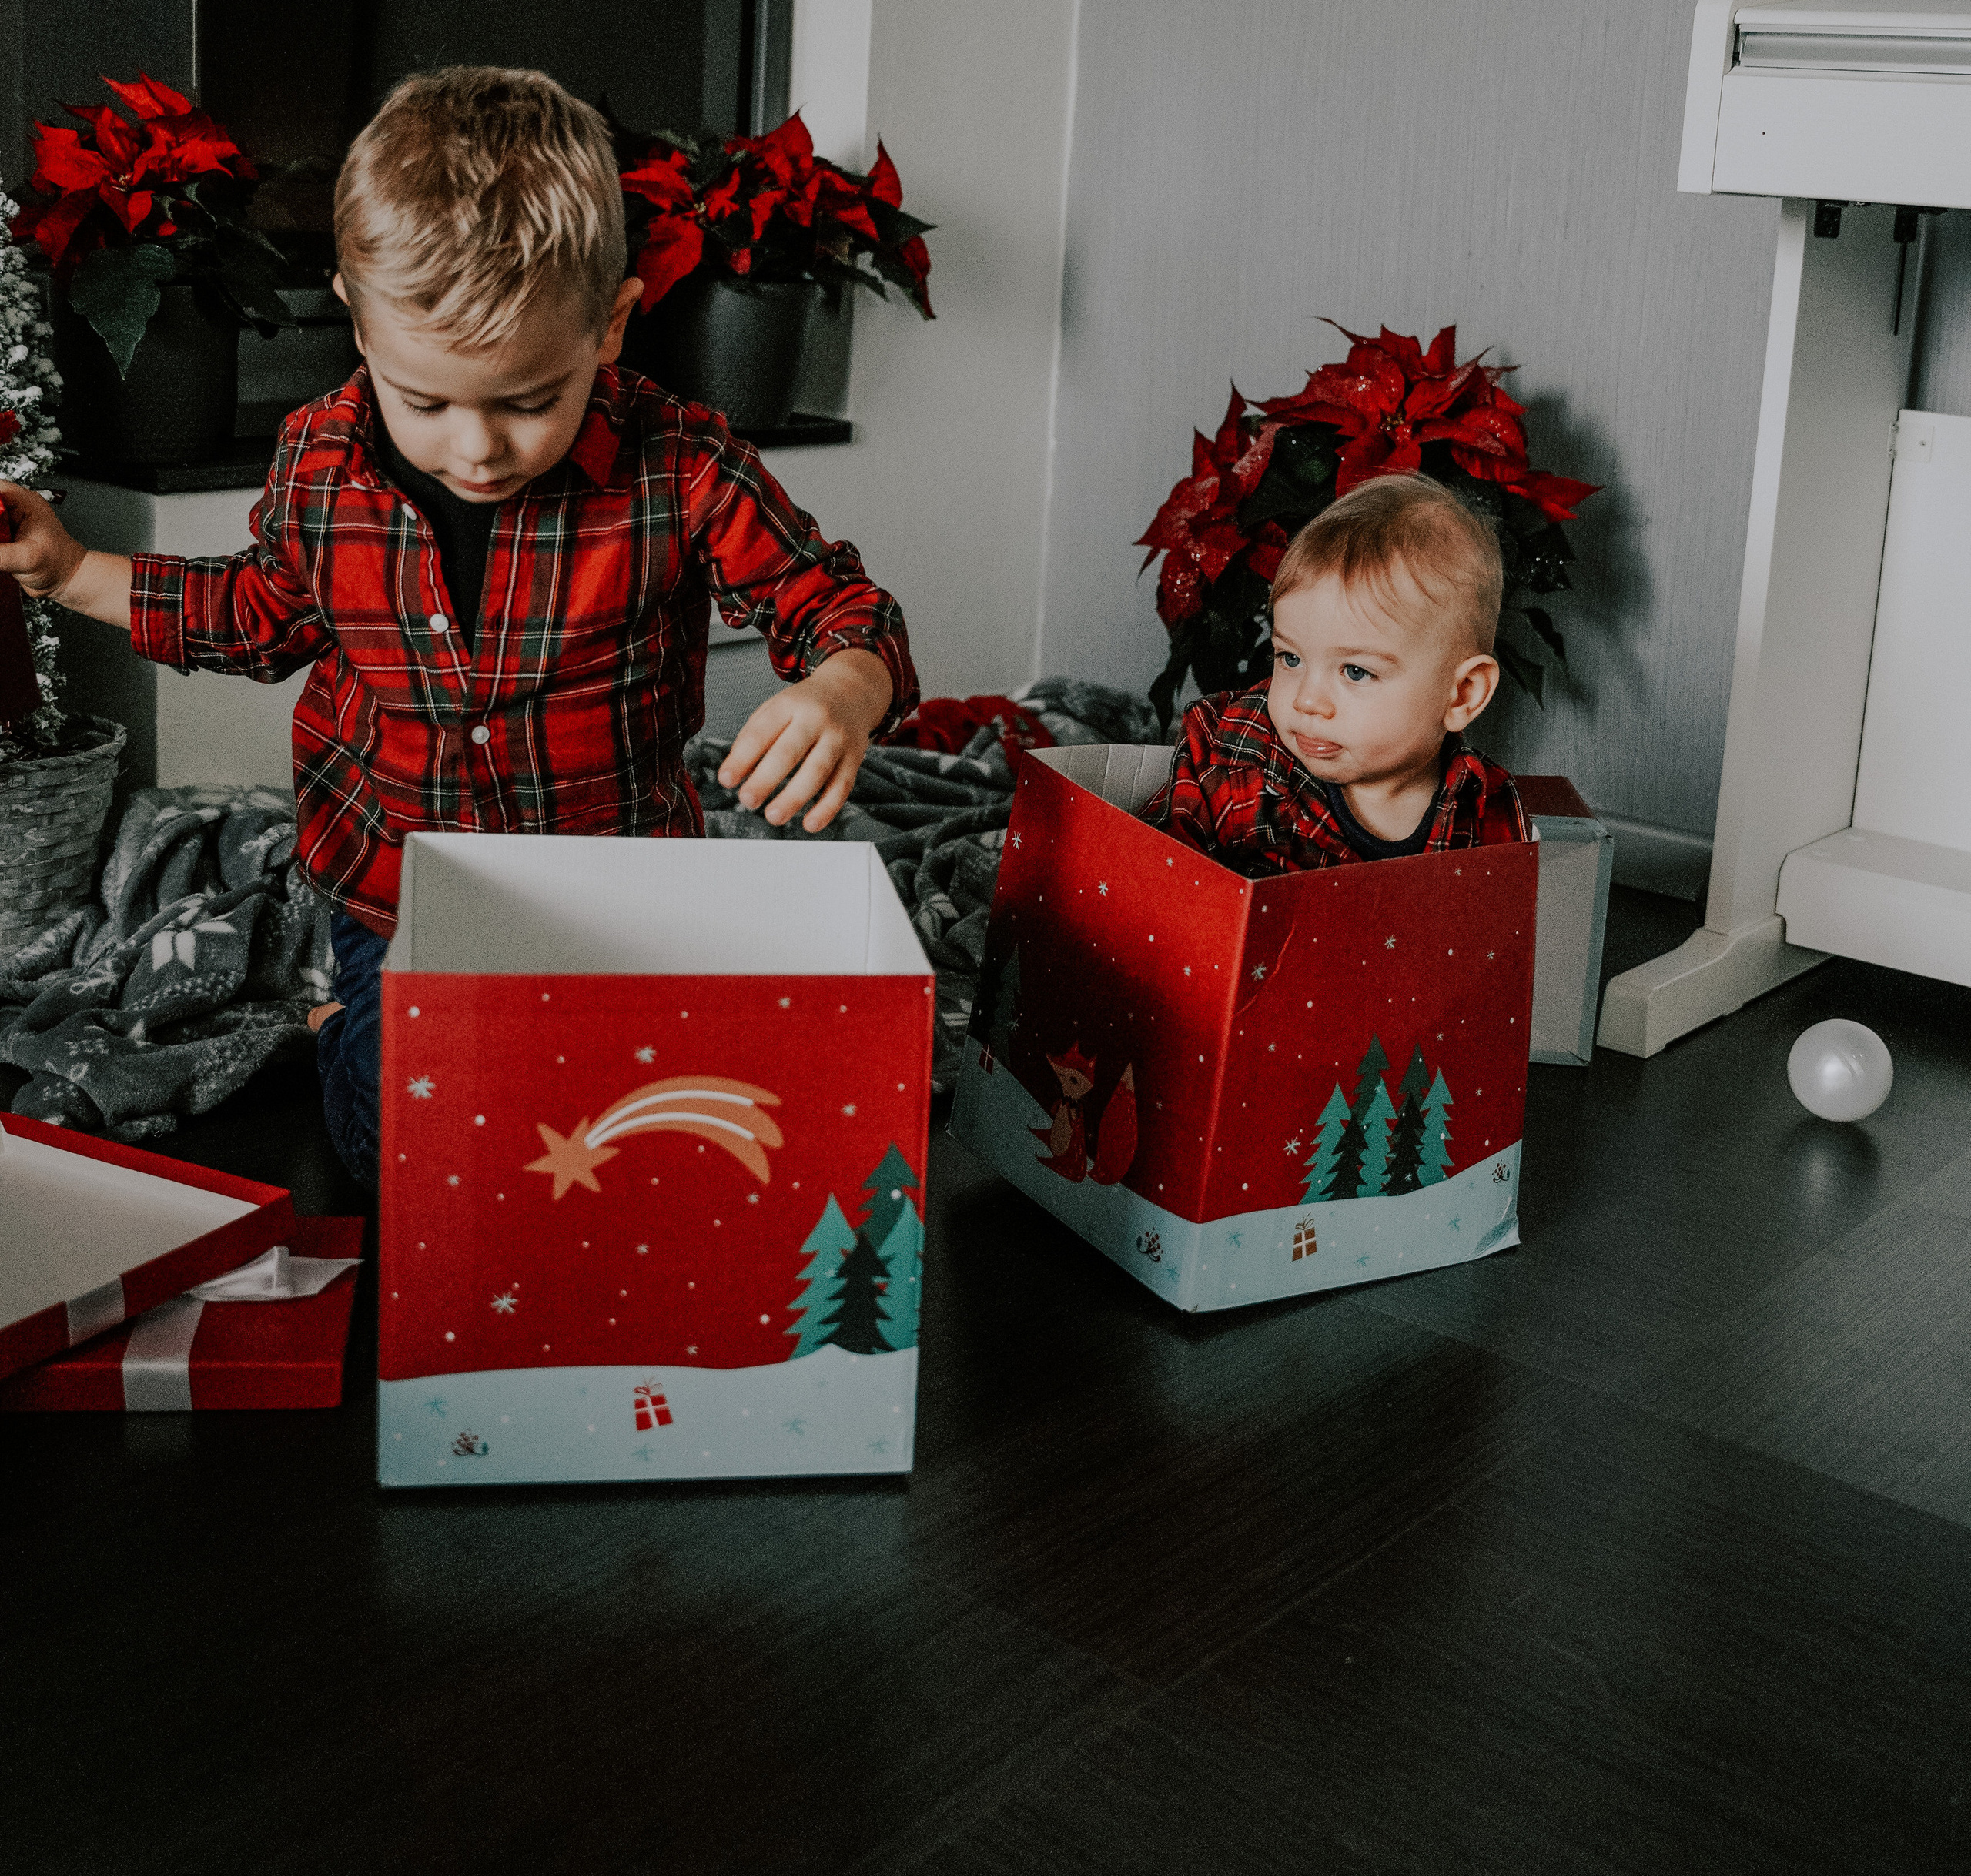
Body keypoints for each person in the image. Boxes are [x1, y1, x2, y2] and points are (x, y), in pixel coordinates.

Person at [0, 68, 916, 1185]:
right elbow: (255, 614)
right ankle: (340, 1021)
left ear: (613, 325)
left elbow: (833, 600)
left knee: (644, 1138)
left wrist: (845, 686)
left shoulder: (683, 462)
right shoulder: (318, 460)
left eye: (530, 400)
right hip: (397, 892)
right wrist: (75, 569)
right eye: (424, 400)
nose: (476, 448)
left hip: (617, 892)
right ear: (356, 319)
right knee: (420, 1156)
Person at [1142, 473, 1527, 874]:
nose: (1306, 700)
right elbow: (1148, 877)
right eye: (1290, 658)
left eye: (1356, 671)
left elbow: (1497, 926)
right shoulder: (1230, 760)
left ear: (1463, 694)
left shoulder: (1485, 809)